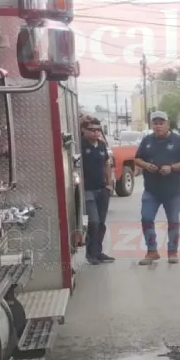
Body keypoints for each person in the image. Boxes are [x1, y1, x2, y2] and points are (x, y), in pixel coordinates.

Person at [134, 111, 180, 265]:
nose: (158, 126)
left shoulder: (179, 141)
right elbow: (137, 159)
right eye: (155, 123)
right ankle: (151, 251)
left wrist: (172, 168)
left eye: (161, 123)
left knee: (173, 221)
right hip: (151, 190)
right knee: (146, 218)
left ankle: (172, 252)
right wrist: (146, 165)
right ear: (152, 125)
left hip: (172, 191)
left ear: (168, 124)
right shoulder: (147, 141)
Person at [80, 114, 115, 265]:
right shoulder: (80, 146)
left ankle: (98, 252)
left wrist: (109, 183)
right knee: (93, 222)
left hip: (102, 189)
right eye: (92, 130)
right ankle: (90, 253)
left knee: (101, 223)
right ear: (83, 130)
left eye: (98, 130)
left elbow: (107, 164)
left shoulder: (101, 145)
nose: (95, 132)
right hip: (87, 190)